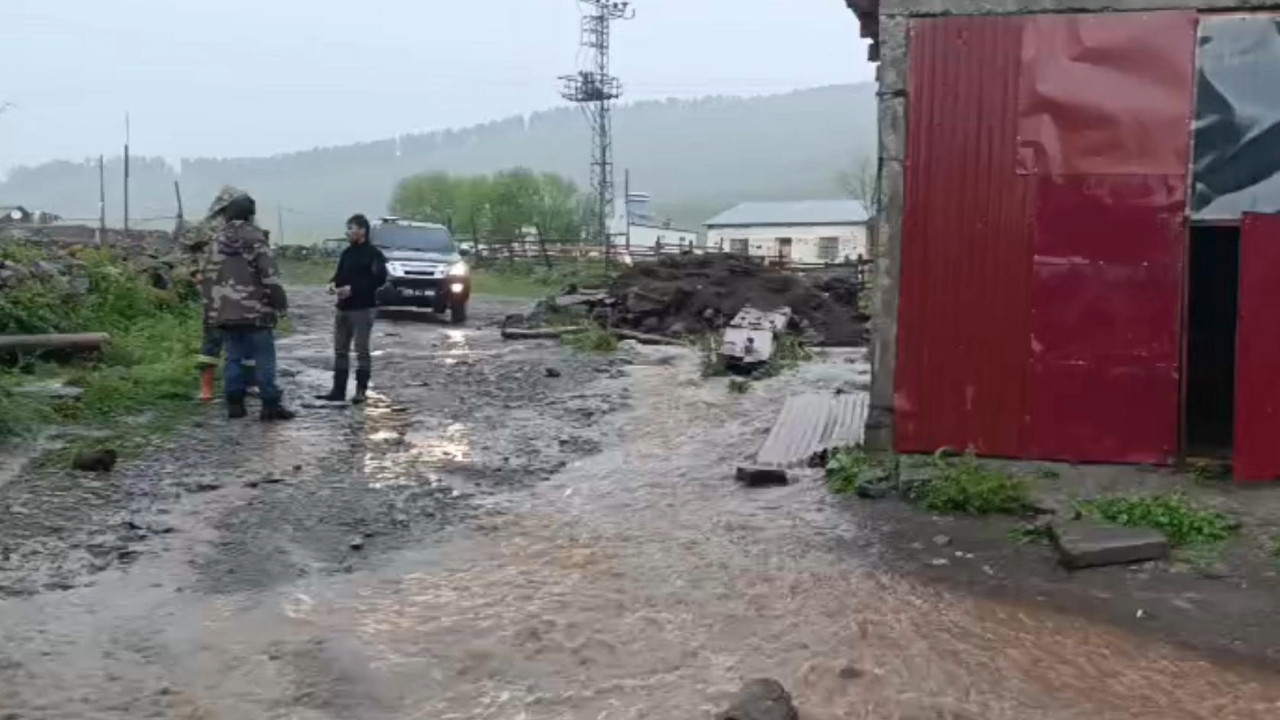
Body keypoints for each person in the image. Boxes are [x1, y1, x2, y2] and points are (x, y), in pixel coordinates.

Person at [199, 192, 296, 421]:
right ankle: (270, 406)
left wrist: (212, 312)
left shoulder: (216, 241)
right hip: (257, 313)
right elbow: (270, 278)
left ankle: (235, 404)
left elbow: (208, 278)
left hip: (227, 314)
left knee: (233, 357)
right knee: (264, 358)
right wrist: (281, 305)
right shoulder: (256, 239)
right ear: (251, 215)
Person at [182, 186, 257, 403]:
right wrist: (194, 272)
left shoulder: (248, 227)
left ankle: (249, 384)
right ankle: (207, 389)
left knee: (246, 340)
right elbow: (184, 249)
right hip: (214, 293)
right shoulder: (206, 229)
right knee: (212, 340)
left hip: (242, 294)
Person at [317, 214, 387, 404]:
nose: (347, 232)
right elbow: (340, 274)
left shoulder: (374, 254)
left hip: (363, 308)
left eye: (351, 228)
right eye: (347, 228)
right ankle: (338, 390)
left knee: (361, 350)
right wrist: (332, 284)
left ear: (362, 231)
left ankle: (361, 391)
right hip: (343, 308)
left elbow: (379, 279)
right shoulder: (347, 253)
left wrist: (354, 289)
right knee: (340, 350)